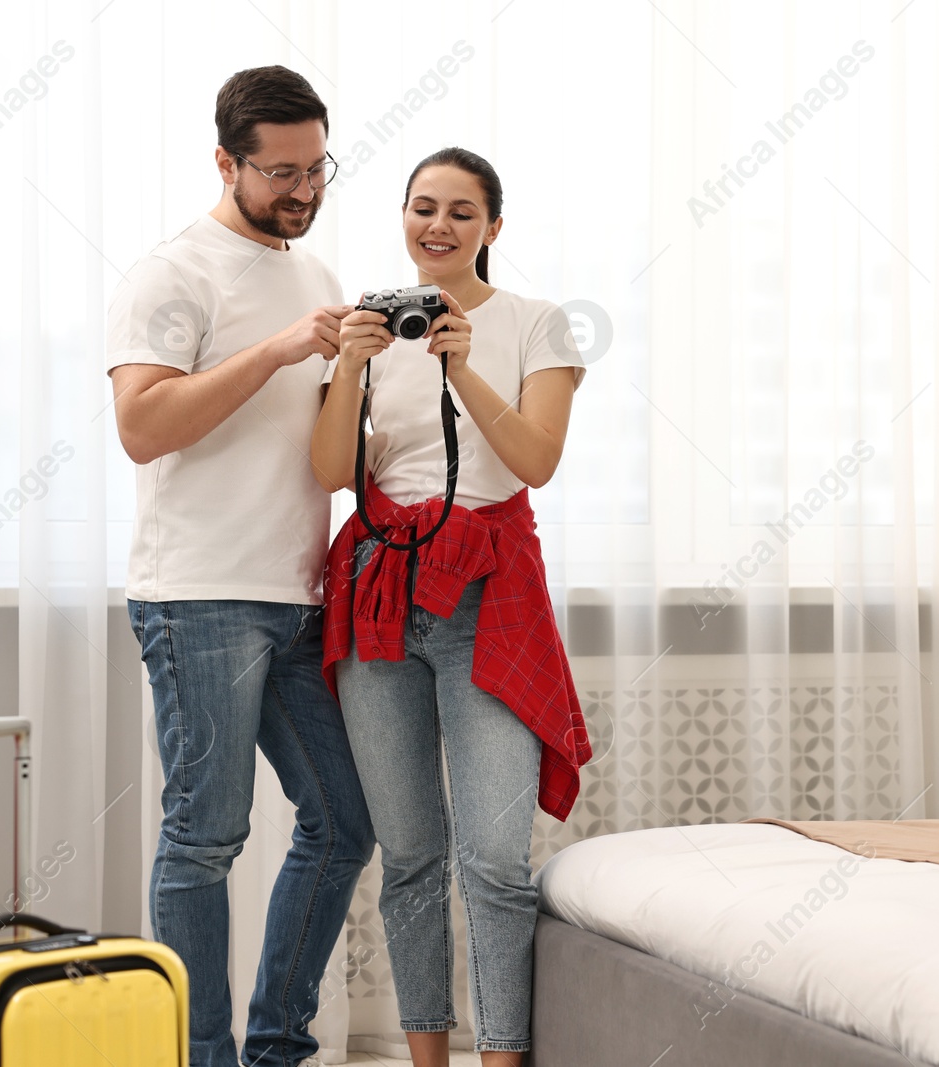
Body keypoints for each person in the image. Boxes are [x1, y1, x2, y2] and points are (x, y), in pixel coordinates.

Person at [106, 65, 374, 1067]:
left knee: (345, 820)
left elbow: (323, 446)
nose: (303, 191)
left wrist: (366, 372)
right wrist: (271, 353)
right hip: (199, 595)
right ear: (226, 161)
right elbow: (142, 426)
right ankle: (200, 1055)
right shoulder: (171, 273)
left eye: (317, 169)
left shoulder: (314, 276)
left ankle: (274, 1047)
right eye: (281, 173)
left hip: (300, 595)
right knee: (205, 835)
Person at [309, 147, 592, 1067]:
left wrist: (462, 366)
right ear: (401, 216)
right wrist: (350, 366)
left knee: (497, 861)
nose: (438, 225)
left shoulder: (534, 324)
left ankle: (500, 1056)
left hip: (488, 598)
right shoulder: (371, 327)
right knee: (412, 856)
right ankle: (428, 1059)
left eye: (461, 212)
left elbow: (535, 460)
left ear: (493, 228)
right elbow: (327, 474)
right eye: (422, 207)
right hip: (381, 595)